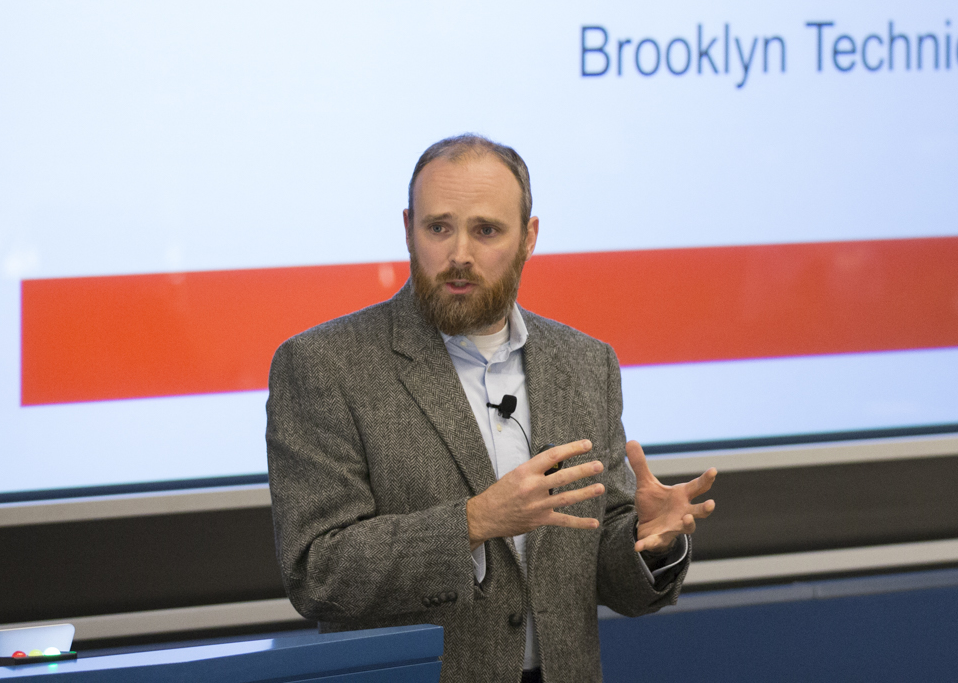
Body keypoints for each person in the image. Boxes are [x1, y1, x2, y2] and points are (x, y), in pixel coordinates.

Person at [267, 134, 718, 683]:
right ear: (408, 229)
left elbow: (602, 571)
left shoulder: (584, 363)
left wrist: (649, 540)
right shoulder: (324, 365)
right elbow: (317, 571)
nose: (459, 254)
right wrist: (474, 523)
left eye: (486, 230)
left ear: (528, 237)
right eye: (439, 227)